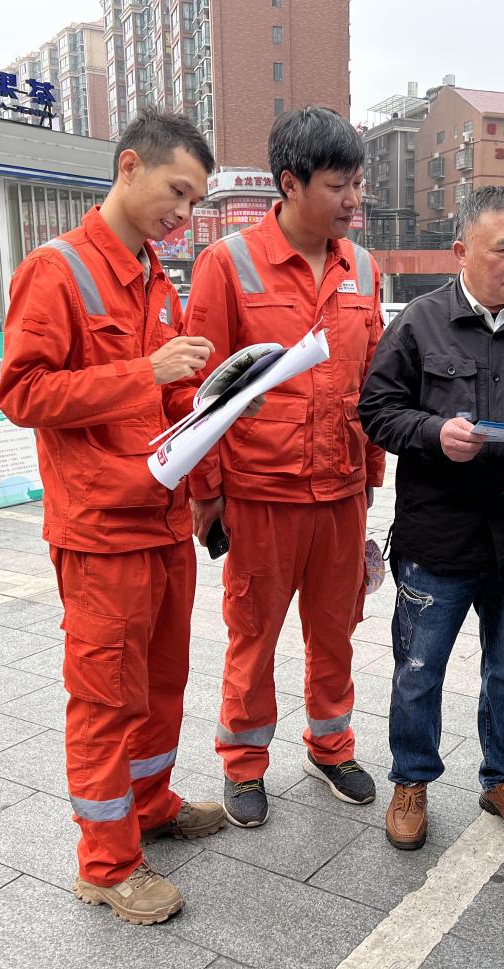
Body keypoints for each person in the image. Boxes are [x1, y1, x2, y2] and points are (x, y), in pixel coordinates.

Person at [0, 108, 225, 925]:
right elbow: (22, 392)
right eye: (177, 192)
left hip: (162, 519)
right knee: (104, 697)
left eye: (195, 201)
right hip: (100, 531)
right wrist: (144, 373)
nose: (184, 214)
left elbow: (167, 392)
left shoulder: (156, 277)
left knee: (161, 683)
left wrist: (213, 399)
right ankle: (105, 863)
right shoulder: (55, 269)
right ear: (129, 167)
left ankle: (150, 802)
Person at [358, 186, 504, 850]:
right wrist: (433, 433)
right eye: (503, 248)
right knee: (418, 668)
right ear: (462, 252)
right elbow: (376, 409)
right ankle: (411, 780)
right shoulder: (419, 322)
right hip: (438, 534)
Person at [184, 106, 386, 828]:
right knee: (254, 634)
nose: (352, 200)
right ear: (289, 183)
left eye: (357, 183)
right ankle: (243, 761)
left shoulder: (363, 267)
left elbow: (373, 382)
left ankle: (332, 746)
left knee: (336, 630)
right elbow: (202, 393)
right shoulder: (228, 264)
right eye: (338, 185)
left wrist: (370, 475)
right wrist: (207, 494)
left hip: (340, 490)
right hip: (260, 493)